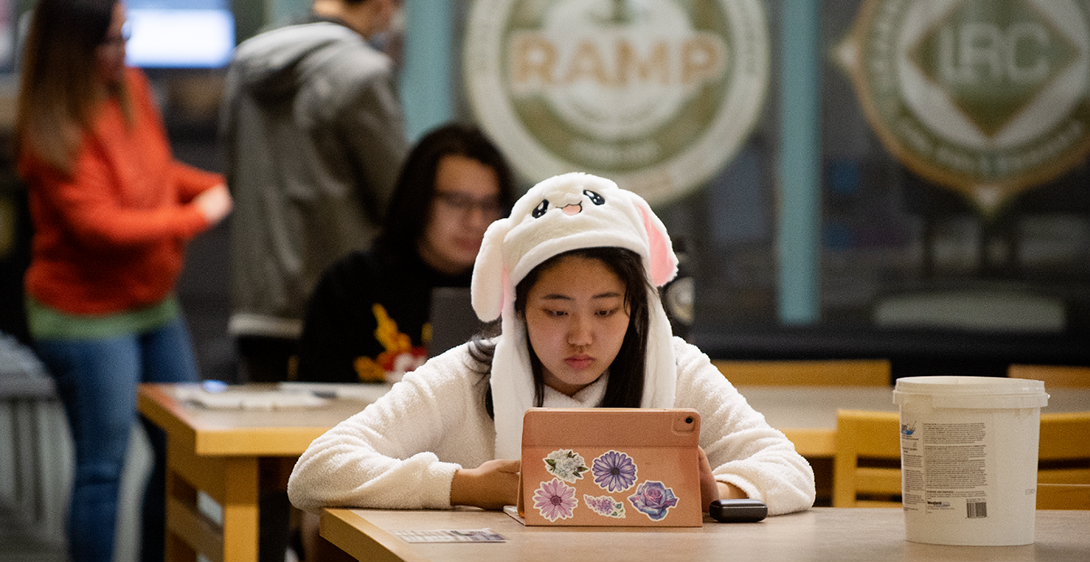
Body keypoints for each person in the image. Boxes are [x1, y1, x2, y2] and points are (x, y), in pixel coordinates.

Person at [288, 171, 815, 519]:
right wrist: (464, 486)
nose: (581, 336)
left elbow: (791, 470)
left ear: (637, 308)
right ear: (516, 312)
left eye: (606, 311)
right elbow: (316, 471)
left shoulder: (675, 368)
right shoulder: (470, 376)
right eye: (556, 312)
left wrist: (721, 494)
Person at [14, 2, 233, 562]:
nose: (126, 50)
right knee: (102, 462)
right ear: (73, 47)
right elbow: (102, 226)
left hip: (149, 303)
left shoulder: (128, 85)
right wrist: (200, 215)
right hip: (84, 316)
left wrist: (207, 184)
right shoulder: (50, 127)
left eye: (126, 35)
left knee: (179, 446)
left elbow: (154, 174)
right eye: (113, 40)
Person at [220, 0, 409, 383]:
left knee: (261, 435)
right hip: (337, 303)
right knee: (337, 438)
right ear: (383, 6)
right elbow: (401, 200)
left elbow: (233, 171)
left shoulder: (244, 65)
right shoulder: (363, 73)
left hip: (255, 304)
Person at [295, 122, 515, 383]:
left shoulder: (511, 288)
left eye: (489, 205)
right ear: (419, 198)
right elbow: (313, 393)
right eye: (457, 202)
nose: (476, 221)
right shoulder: (351, 284)